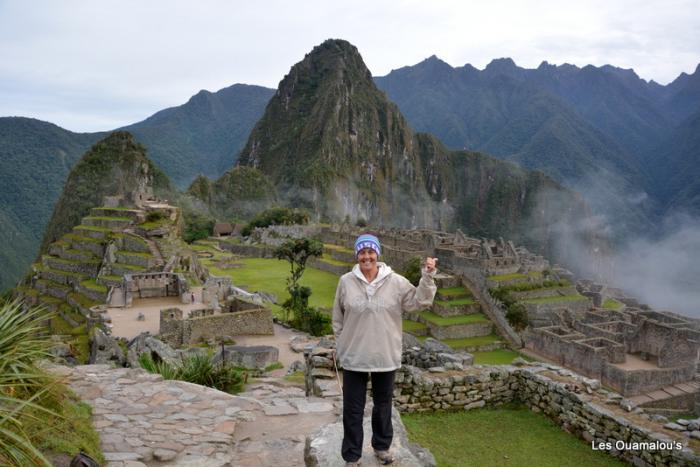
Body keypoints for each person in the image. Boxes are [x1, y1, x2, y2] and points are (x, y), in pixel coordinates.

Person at [332, 233, 437, 466]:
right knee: (352, 410)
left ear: (377, 254)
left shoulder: (396, 282)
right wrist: (341, 344)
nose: (366, 257)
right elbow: (337, 319)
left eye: (370, 252)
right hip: (354, 356)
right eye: (362, 252)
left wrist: (428, 276)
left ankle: (381, 447)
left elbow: (419, 302)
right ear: (357, 255)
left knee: (383, 406)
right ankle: (352, 455)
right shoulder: (346, 282)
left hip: (385, 355)